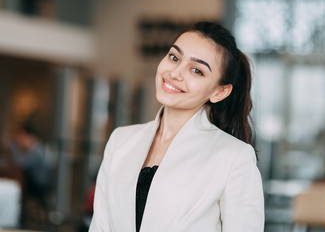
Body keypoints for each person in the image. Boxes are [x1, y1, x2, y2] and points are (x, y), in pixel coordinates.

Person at [89, 21, 264, 231]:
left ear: (220, 92)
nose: (175, 73)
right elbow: (100, 226)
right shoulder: (121, 140)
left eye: (197, 71)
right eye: (174, 57)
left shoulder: (234, 157)